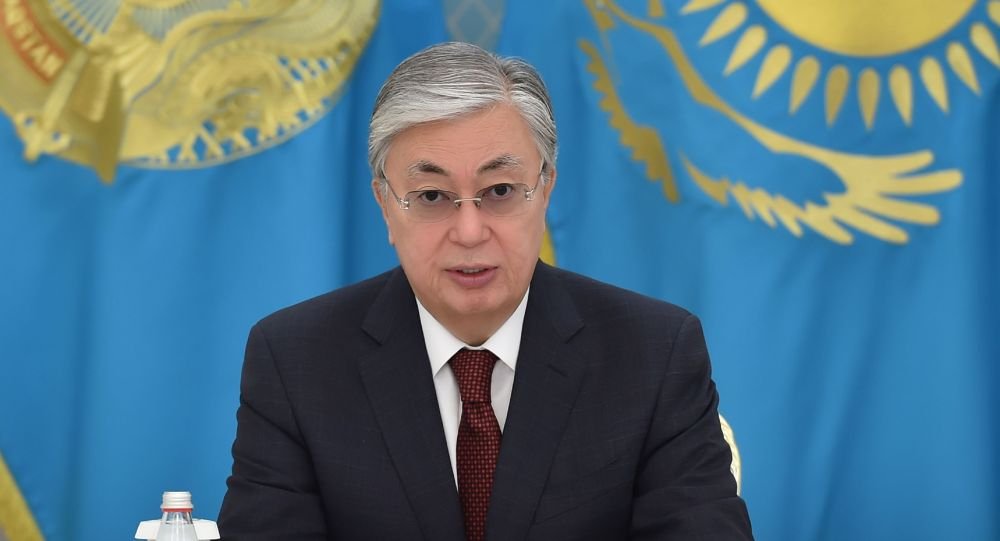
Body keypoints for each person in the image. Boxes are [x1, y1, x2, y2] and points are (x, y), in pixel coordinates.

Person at [218, 41, 753, 540]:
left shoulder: (653, 353)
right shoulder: (296, 361)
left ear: (545, 190)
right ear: (384, 204)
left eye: (499, 191)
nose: (470, 232)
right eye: (432, 196)